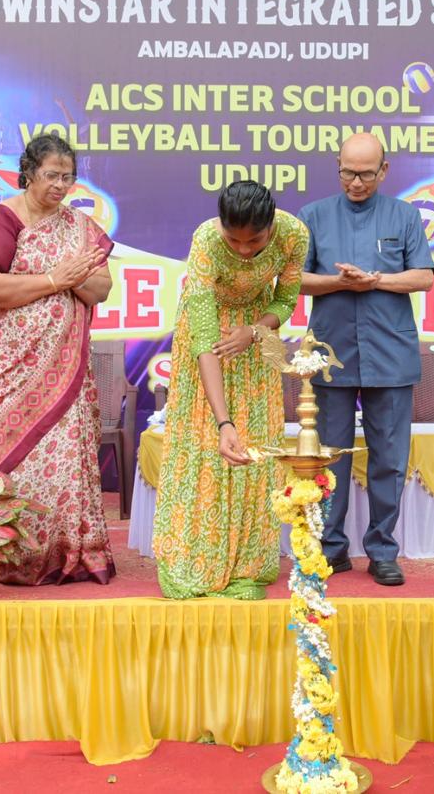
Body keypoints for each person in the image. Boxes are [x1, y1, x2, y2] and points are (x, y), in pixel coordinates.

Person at [0, 134, 115, 585]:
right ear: (27, 172)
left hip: (67, 368)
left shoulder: (79, 227)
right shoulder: (3, 219)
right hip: (16, 371)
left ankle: (72, 551)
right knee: (21, 462)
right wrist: (53, 278)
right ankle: (20, 556)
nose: (61, 185)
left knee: (69, 457)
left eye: (68, 177)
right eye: (52, 175)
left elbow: (101, 289)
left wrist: (72, 279)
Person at [152, 181, 308, 600]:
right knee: (208, 449)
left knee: (253, 450)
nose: (242, 250)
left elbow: (286, 300)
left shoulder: (293, 234)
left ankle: (247, 562)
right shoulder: (205, 240)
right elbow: (205, 339)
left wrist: (255, 332)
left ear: (270, 227)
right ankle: (195, 558)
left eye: (253, 241)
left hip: (256, 339)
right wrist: (223, 420)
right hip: (206, 345)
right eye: (233, 239)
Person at [299, 133, 434, 587]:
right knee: (328, 456)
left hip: (389, 353)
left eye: (365, 173)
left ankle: (382, 550)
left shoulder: (405, 215)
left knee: (389, 458)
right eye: (346, 172)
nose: (355, 182)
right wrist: (340, 284)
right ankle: (331, 548)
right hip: (331, 354)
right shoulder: (314, 216)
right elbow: (295, 280)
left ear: (384, 171)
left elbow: (423, 277)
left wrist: (374, 280)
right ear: (337, 165)